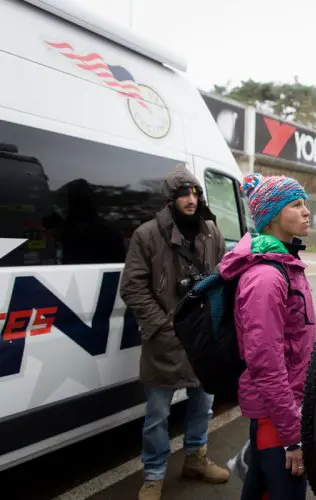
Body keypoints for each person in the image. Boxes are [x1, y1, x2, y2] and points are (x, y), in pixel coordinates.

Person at [120, 164, 230, 500]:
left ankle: (196, 458)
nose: (191, 199)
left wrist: (218, 320)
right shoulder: (147, 235)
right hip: (165, 340)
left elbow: (226, 275)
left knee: (202, 405)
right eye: (184, 193)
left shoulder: (211, 231)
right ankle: (153, 475)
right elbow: (132, 287)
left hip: (203, 338)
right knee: (157, 416)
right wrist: (163, 325)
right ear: (170, 199)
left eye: (195, 192)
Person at [219, 173, 316, 500]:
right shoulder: (265, 277)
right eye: (296, 204)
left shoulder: (285, 261)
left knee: (258, 490)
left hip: (283, 408)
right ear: (273, 216)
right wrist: (292, 438)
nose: (306, 212)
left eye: (305, 203)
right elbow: (266, 364)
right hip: (277, 415)